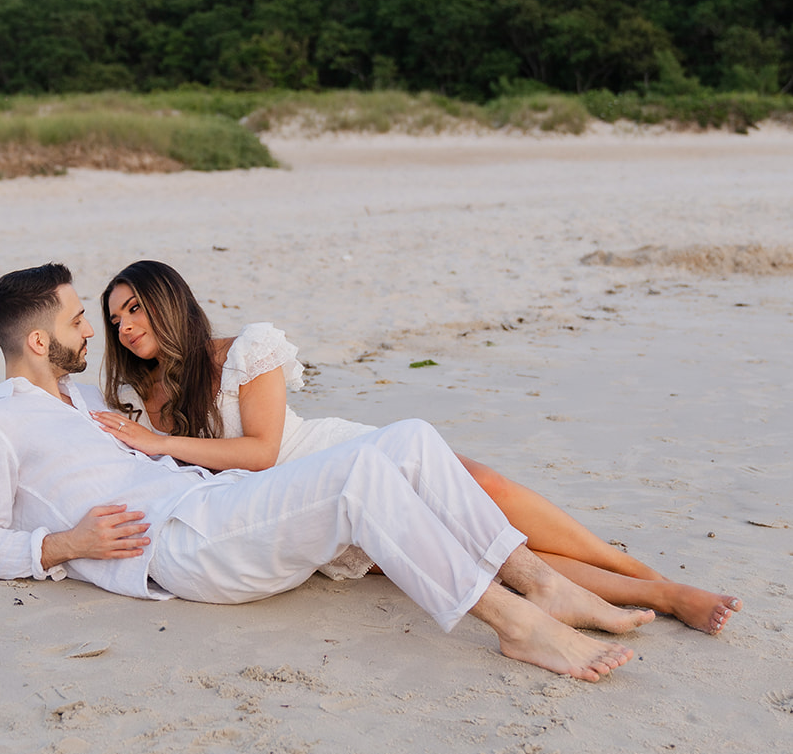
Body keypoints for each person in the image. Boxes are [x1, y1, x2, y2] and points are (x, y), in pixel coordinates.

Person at [0, 262, 651, 683]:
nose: (92, 332)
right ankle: (512, 623)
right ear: (40, 340)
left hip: (221, 505)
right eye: (80, 320)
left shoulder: (79, 399)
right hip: (179, 544)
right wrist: (66, 546)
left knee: (408, 438)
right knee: (359, 479)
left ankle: (541, 585)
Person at [94, 260, 740, 636]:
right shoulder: (148, 400)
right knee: (469, 547)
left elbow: (264, 448)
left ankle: (649, 581)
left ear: (167, 301)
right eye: (115, 318)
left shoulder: (242, 352)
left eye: (133, 309)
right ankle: (653, 595)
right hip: (295, 510)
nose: (124, 326)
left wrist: (161, 441)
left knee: (481, 490)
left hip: (323, 452)